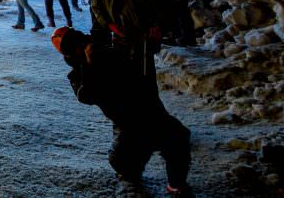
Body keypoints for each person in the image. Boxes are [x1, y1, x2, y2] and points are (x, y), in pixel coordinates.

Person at [51, 27, 191, 194]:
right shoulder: (78, 74)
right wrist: (89, 65)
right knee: (124, 165)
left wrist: (148, 44)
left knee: (178, 140)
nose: (88, 45)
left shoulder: (108, 49)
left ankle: (176, 186)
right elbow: (86, 96)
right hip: (128, 126)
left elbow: (137, 56)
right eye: (80, 45)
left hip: (152, 114)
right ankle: (129, 174)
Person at [89, 0, 162, 96]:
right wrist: (109, 25)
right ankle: (129, 96)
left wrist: (155, 24)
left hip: (142, 27)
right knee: (123, 64)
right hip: (119, 30)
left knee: (145, 64)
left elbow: (156, 2)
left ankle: (149, 97)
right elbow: (96, 8)